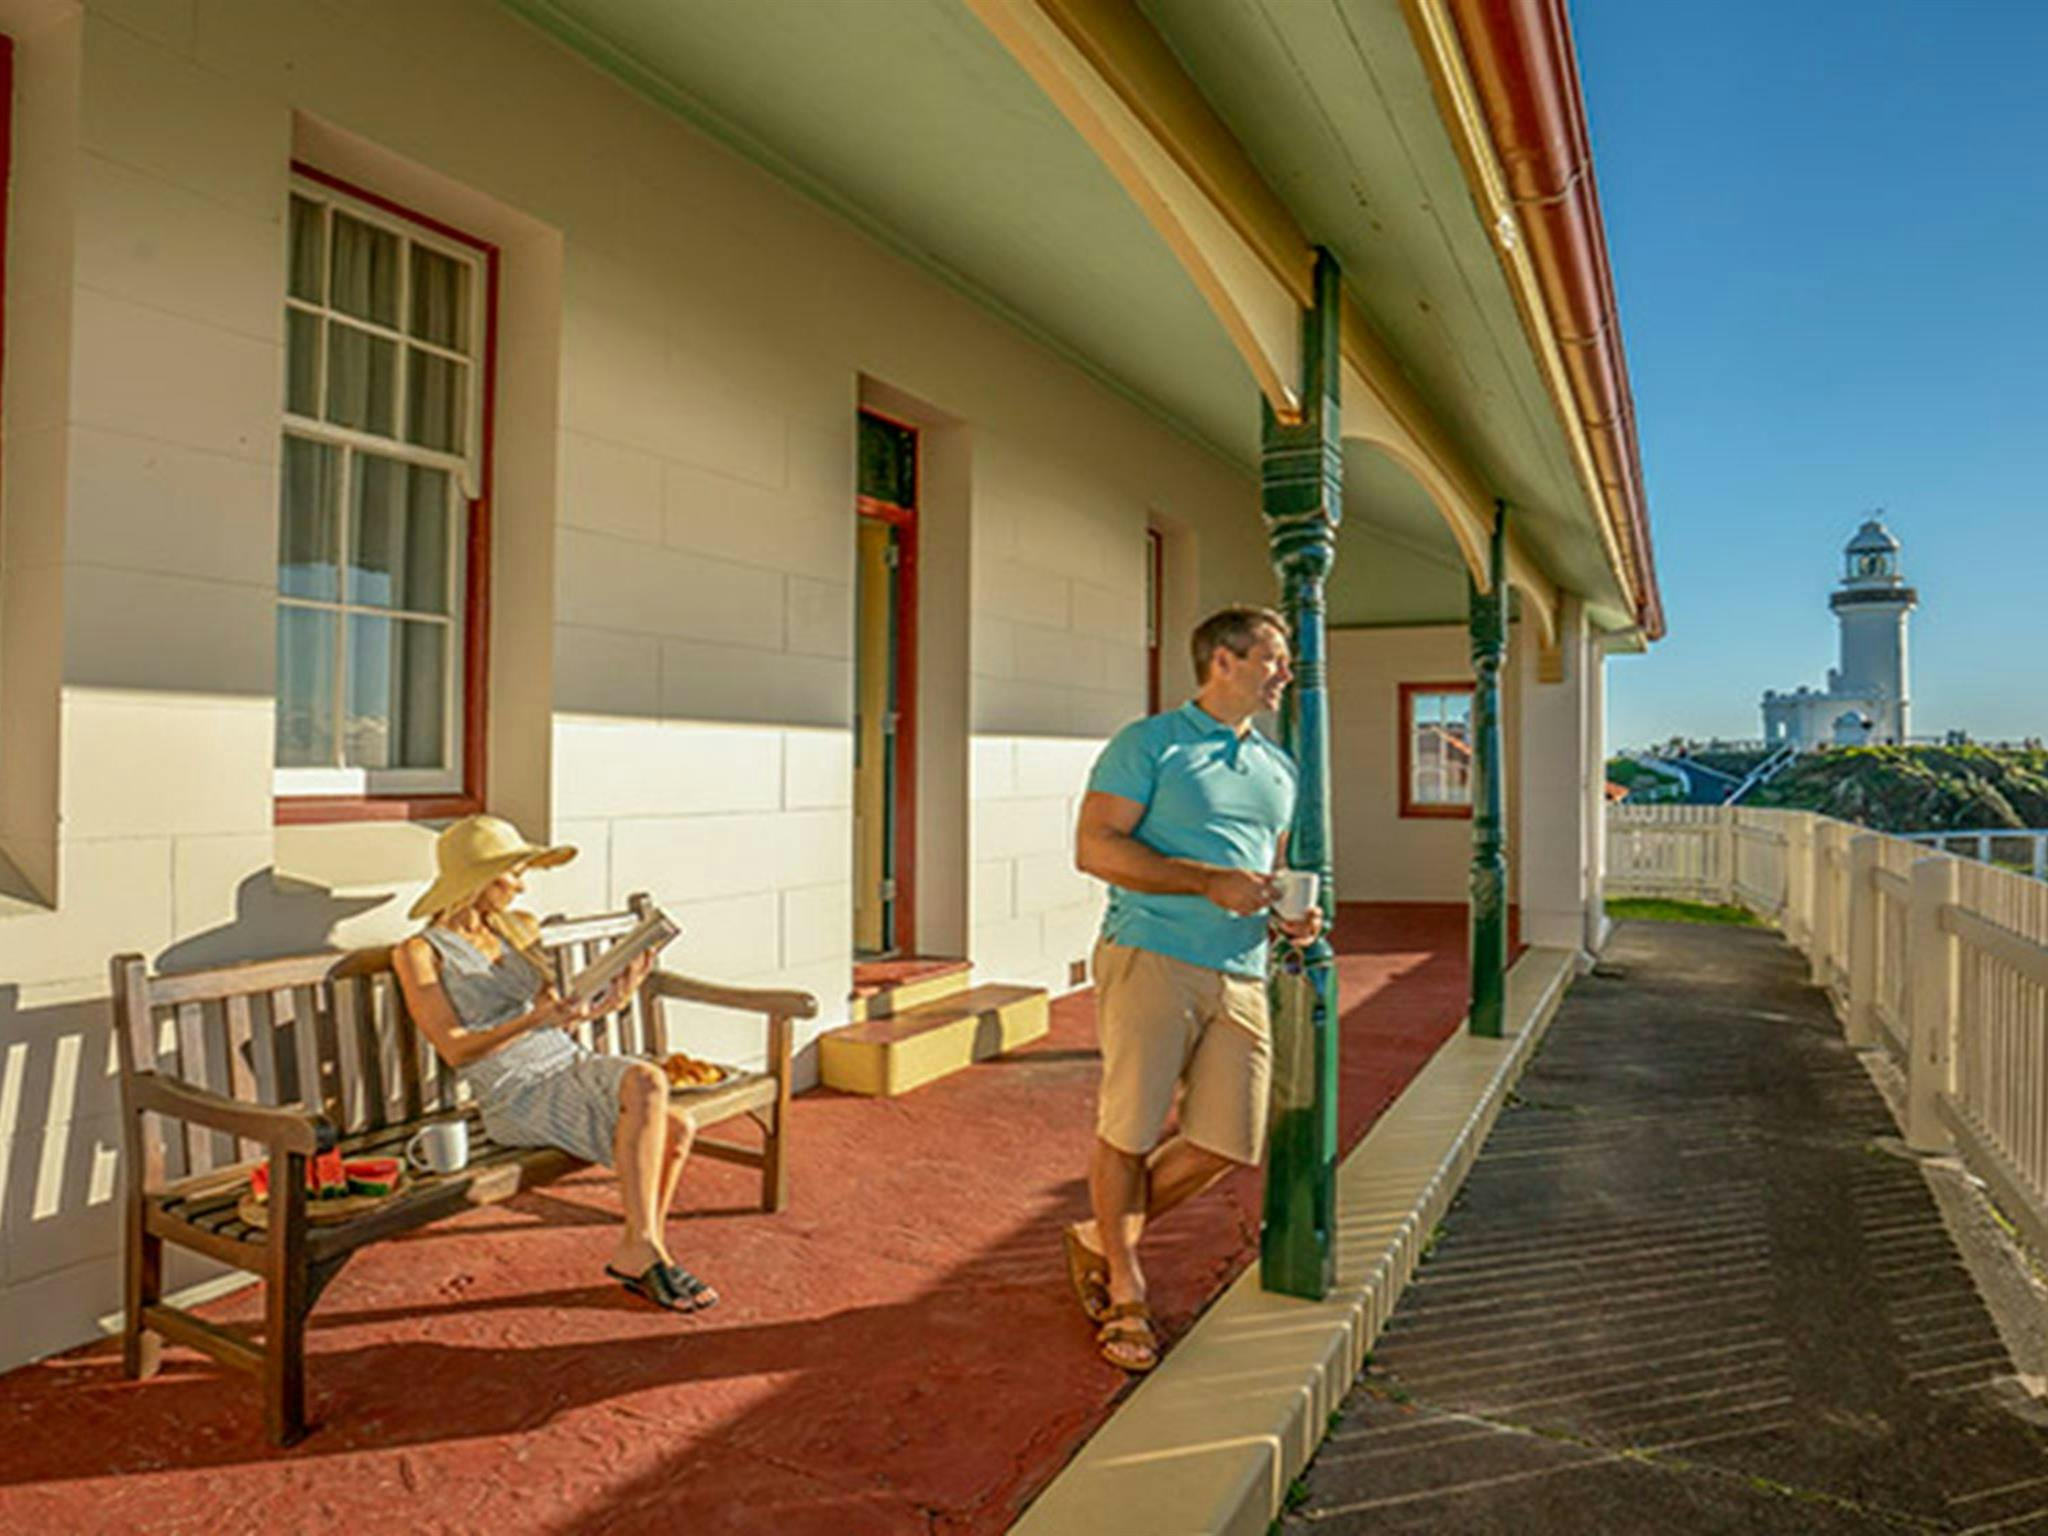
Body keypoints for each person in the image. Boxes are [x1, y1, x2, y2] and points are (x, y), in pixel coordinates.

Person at [1064, 606, 1324, 1371]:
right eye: (1273, 658)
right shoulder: (1149, 744)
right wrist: (1205, 880)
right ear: (1223, 660)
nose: (1286, 673)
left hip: (1242, 969)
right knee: (1129, 1131)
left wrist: (1290, 917)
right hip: (1151, 954)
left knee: (1225, 1142)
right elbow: (1094, 848)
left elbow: (1263, 867)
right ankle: (1127, 1286)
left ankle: (1096, 1235)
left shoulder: (1278, 767)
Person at [392, 814, 718, 1313]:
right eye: (513, 873)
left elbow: (558, 1021)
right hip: (513, 1092)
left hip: (567, 1065)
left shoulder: (518, 929)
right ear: (477, 878)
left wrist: (613, 997)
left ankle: (643, 1247)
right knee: (649, 1083)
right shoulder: (419, 952)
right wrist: (535, 1019)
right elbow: (455, 1048)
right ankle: (643, 1251)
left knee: (678, 1125)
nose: (521, 886)